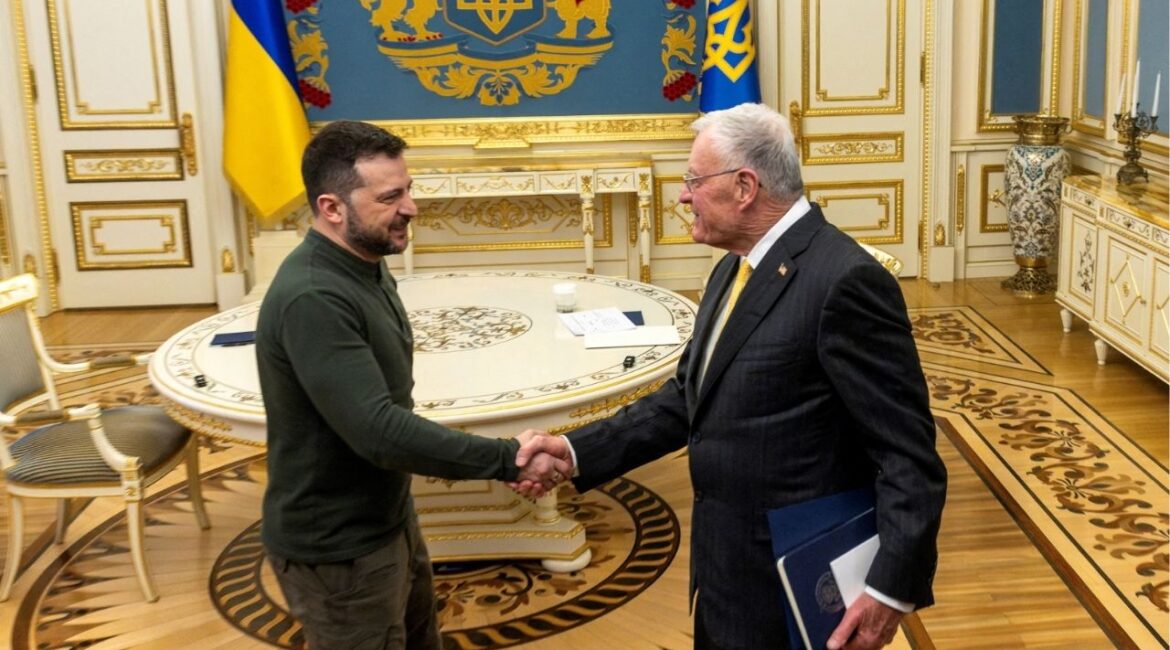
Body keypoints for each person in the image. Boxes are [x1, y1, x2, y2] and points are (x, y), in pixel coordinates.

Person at [514, 103, 947, 650]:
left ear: (745, 186)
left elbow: (907, 455)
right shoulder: (731, 268)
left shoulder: (843, 281)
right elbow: (688, 399)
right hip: (727, 570)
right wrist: (574, 451)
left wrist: (888, 591)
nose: (682, 195)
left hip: (797, 583)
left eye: (694, 180)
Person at [256, 120, 567, 650]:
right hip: (339, 551)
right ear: (332, 208)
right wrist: (508, 458)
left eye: (410, 189)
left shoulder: (366, 263)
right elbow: (379, 431)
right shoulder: (314, 296)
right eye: (391, 196)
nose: (411, 207)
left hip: (387, 519)